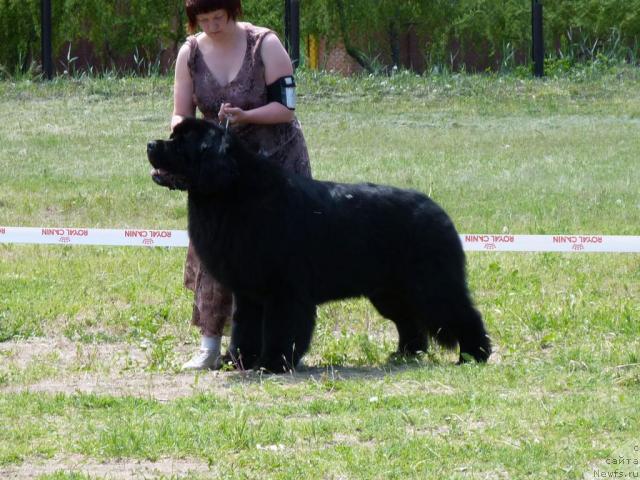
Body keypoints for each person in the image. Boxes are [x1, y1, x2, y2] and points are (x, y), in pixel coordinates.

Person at [172, 0, 312, 370]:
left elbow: (287, 107)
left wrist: (246, 115)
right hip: (218, 168)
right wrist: (180, 130)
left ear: (232, 10)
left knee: (275, 259)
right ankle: (210, 345)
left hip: (275, 165)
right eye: (204, 20)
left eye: (218, 17)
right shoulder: (189, 54)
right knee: (214, 251)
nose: (213, 26)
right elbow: (180, 112)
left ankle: (277, 345)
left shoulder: (264, 43)